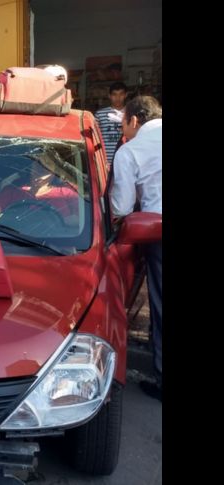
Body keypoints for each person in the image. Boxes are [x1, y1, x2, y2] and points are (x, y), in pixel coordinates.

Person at [109, 95, 162, 401]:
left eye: (124, 125)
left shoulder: (131, 151)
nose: (122, 132)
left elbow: (122, 206)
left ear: (133, 120)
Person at [95, 82, 128, 164]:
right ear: (109, 96)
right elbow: (95, 138)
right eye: (114, 94)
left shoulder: (131, 113)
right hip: (106, 161)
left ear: (126, 95)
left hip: (127, 159)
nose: (118, 98)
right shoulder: (100, 114)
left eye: (121, 94)